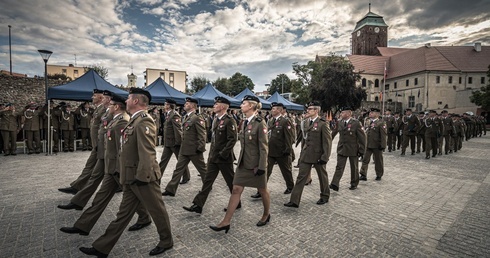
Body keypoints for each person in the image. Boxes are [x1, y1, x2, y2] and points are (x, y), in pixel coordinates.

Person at [79, 87, 173, 257]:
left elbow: (148, 152)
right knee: (123, 214)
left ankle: (166, 241)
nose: (126, 101)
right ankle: (102, 247)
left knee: (157, 211)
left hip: (144, 177)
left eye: (129, 98)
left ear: (136, 101)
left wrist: (142, 177)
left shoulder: (144, 120)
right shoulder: (133, 120)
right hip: (131, 176)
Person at [60, 93, 151, 236]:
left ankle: (147, 219)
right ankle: (83, 225)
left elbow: (124, 148)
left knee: (131, 196)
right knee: (101, 197)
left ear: (116, 106)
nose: (107, 105)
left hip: (117, 167)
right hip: (110, 165)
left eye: (110, 103)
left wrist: (120, 168)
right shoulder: (116, 119)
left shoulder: (123, 121)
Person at [210, 95, 269, 233]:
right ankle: (226, 221)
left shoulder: (260, 123)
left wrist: (262, 166)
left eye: (244, 103)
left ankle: (266, 214)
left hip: (255, 164)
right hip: (243, 163)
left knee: (262, 190)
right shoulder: (244, 121)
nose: (241, 105)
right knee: (236, 189)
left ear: (252, 106)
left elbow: (263, 147)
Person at [58, 91, 113, 210]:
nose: (92, 97)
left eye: (95, 96)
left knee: (125, 184)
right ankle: (78, 194)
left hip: (104, 148)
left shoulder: (108, 110)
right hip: (98, 145)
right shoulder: (101, 109)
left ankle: (144, 214)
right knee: (92, 172)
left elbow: (106, 129)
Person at [183, 96, 238, 214]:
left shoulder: (229, 120)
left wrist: (223, 153)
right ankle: (198, 204)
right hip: (213, 157)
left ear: (223, 107)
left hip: (224, 158)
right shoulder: (216, 119)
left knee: (230, 181)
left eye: (216, 104)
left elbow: (232, 139)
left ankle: (236, 202)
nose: (213, 106)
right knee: (207, 181)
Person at [284, 101, 332, 207]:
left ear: (316, 110)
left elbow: (327, 142)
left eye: (310, 109)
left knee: (322, 176)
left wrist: (325, 156)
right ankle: (294, 200)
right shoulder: (305, 122)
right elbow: (305, 138)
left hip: (318, 155)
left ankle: (325, 196)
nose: (308, 110)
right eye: (308, 109)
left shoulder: (323, 123)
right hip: (307, 154)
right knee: (301, 177)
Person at [162, 97, 207, 196]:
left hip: (194, 149)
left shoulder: (197, 117)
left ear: (193, 105)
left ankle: (208, 186)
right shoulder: (187, 117)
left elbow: (202, 134)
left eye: (187, 103)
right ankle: (171, 189)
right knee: (178, 170)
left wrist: (200, 148)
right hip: (184, 148)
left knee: (203, 170)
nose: (185, 104)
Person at [330, 107, 366, 191]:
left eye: (342, 113)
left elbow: (362, 138)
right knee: (339, 166)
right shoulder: (339, 122)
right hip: (342, 148)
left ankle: (354, 183)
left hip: (353, 149)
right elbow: (333, 134)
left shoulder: (356, 123)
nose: (341, 114)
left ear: (349, 113)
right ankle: (334, 183)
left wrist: (362, 150)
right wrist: (327, 142)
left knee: (354, 167)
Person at [158, 98, 190, 185]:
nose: (164, 106)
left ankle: (186, 176)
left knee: (180, 161)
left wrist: (178, 143)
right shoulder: (168, 114)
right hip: (168, 143)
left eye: (165, 104)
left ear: (169, 106)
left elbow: (178, 130)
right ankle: (157, 179)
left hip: (174, 143)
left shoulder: (175, 115)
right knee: (163, 161)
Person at [359, 108, 387, 181]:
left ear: (377, 114)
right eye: (370, 112)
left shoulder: (381, 123)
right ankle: (363, 174)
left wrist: (383, 145)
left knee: (378, 161)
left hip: (377, 145)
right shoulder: (368, 122)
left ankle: (379, 174)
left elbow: (383, 135)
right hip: (368, 144)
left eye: (372, 112)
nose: (370, 114)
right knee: (365, 160)